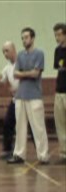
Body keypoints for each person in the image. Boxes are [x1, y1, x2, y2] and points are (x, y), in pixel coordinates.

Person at [8, 27, 50, 164]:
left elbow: (36, 74)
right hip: (20, 96)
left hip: (34, 96)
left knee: (38, 127)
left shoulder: (39, 54)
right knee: (19, 127)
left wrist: (23, 73)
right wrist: (28, 73)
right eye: (22, 38)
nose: (24, 40)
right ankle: (19, 154)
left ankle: (43, 155)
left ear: (32, 38)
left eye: (26, 37)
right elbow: (15, 73)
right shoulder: (20, 55)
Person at [0, 41, 34, 160]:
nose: (5, 54)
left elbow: (28, 78)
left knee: (33, 126)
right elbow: (0, 82)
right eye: (3, 52)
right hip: (15, 100)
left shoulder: (22, 63)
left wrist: (17, 88)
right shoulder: (7, 68)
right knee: (8, 123)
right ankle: (7, 150)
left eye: (7, 51)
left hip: (27, 98)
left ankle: (41, 151)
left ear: (13, 50)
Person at [53, 23, 66, 164]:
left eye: (59, 34)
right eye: (55, 35)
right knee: (60, 124)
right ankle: (63, 154)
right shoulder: (57, 51)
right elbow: (58, 65)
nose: (57, 37)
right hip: (60, 90)